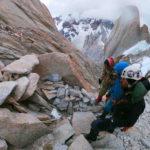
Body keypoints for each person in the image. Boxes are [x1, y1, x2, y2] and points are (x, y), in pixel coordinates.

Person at [85, 64, 150, 142]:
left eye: (124, 79)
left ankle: (91, 138)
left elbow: (130, 121)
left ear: (130, 81)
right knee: (109, 125)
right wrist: (116, 102)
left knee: (95, 124)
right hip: (117, 114)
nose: (121, 80)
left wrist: (114, 121)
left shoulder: (138, 104)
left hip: (117, 120)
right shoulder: (128, 90)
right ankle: (110, 129)